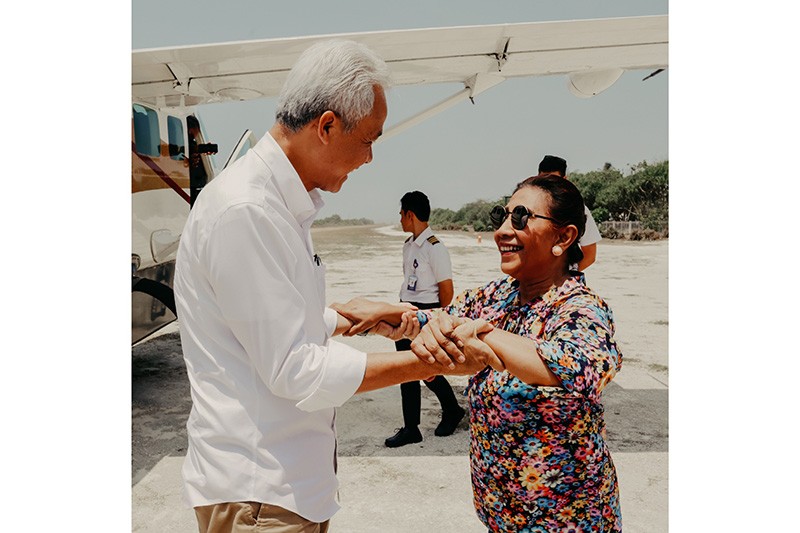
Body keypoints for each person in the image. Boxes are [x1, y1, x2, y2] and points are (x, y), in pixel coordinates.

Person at [173, 40, 470, 533]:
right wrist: (432, 361)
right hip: (260, 492)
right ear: (328, 126)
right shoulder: (247, 210)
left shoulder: (275, 202)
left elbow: (265, 324)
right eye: (370, 138)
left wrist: (349, 317)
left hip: (284, 487)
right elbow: (295, 369)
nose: (371, 158)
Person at [339, 174, 623, 531]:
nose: (504, 230)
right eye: (501, 217)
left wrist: (485, 337)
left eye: (521, 218)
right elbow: (445, 318)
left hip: (566, 519)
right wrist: (391, 314)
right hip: (502, 513)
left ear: (564, 237)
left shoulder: (581, 309)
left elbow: (578, 367)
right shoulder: (497, 296)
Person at [385, 191, 465, 448]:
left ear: (410, 214)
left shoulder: (434, 247)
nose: (399, 220)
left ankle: (452, 409)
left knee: (427, 367)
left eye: (401, 214)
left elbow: (447, 291)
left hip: (427, 311)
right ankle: (411, 428)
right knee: (404, 368)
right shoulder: (409, 245)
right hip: (406, 309)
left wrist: (435, 318)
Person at [538, 154, 601, 270]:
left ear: (564, 180)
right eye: (544, 179)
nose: (549, 184)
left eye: (554, 179)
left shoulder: (577, 209)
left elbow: (590, 255)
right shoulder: (528, 206)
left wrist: (565, 276)